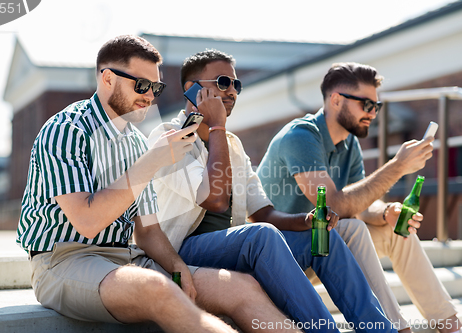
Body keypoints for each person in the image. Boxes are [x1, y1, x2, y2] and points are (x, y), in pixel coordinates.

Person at [16, 35, 303, 333]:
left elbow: (149, 230)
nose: (150, 96)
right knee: (157, 288)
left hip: (127, 257)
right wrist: (152, 161)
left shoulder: (137, 142)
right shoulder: (66, 130)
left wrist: (178, 266)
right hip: (64, 260)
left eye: (156, 87)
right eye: (141, 85)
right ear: (108, 79)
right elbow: (88, 221)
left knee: (241, 287)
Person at [149, 50, 397, 333]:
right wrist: (216, 124)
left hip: (234, 249)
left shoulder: (232, 145)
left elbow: (263, 212)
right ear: (191, 89)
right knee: (262, 235)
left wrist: (306, 220)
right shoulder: (168, 136)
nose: (231, 91)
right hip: (181, 252)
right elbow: (215, 200)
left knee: (322, 237)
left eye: (236, 85)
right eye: (222, 82)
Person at [257, 62, 462, 333]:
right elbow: (333, 205)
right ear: (336, 100)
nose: (373, 114)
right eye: (366, 105)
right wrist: (397, 166)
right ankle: (396, 328)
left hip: (323, 249)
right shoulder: (301, 136)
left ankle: (449, 324)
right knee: (349, 227)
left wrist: (387, 212)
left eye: (376, 107)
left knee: (395, 231)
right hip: (282, 256)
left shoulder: (349, 143)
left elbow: (359, 203)